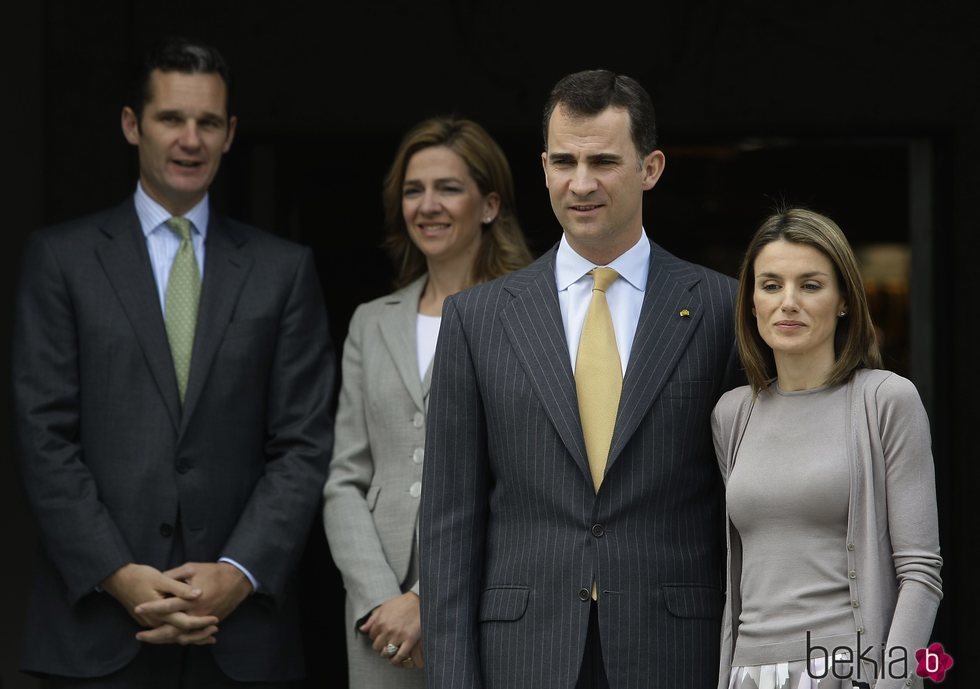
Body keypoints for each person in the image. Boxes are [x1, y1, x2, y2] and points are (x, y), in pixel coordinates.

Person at [11, 36, 335, 688]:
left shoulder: (283, 270)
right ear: (133, 125)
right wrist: (119, 573)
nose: (191, 139)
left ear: (230, 133)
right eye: (171, 119)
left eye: (208, 122)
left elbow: (304, 442)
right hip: (96, 633)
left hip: (241, 637)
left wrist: (238, 571)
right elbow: (43, 437)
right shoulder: (62, 260)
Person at [419, 69, 743, 689]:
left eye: (603, 161)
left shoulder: (719, 310)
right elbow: (448, 527)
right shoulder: (477, 319)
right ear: (542, 167)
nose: (581, 183)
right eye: (564, 161)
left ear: (651, 168)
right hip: (522, 653)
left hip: (676, 650)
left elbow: (742, 509)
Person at [322, 115, 533, 688]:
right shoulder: (371, 322)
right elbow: (345, 478)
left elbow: (524, 481)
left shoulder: (529, 315)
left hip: (488, 598)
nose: (428, 205)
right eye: (414, 190)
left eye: (449, 188)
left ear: (489, 204)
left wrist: (428, 598)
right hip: (379, 622)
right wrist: (376, 598)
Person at [711, 207, 943, 689]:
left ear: (843, 302)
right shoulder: (733, 414)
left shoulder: (885, 400)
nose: (787, 302)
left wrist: (892, 682)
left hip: (846, 670)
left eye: (810, 285)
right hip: (748, 673)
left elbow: (921, 574)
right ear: (751, 303)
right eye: (770, 285)